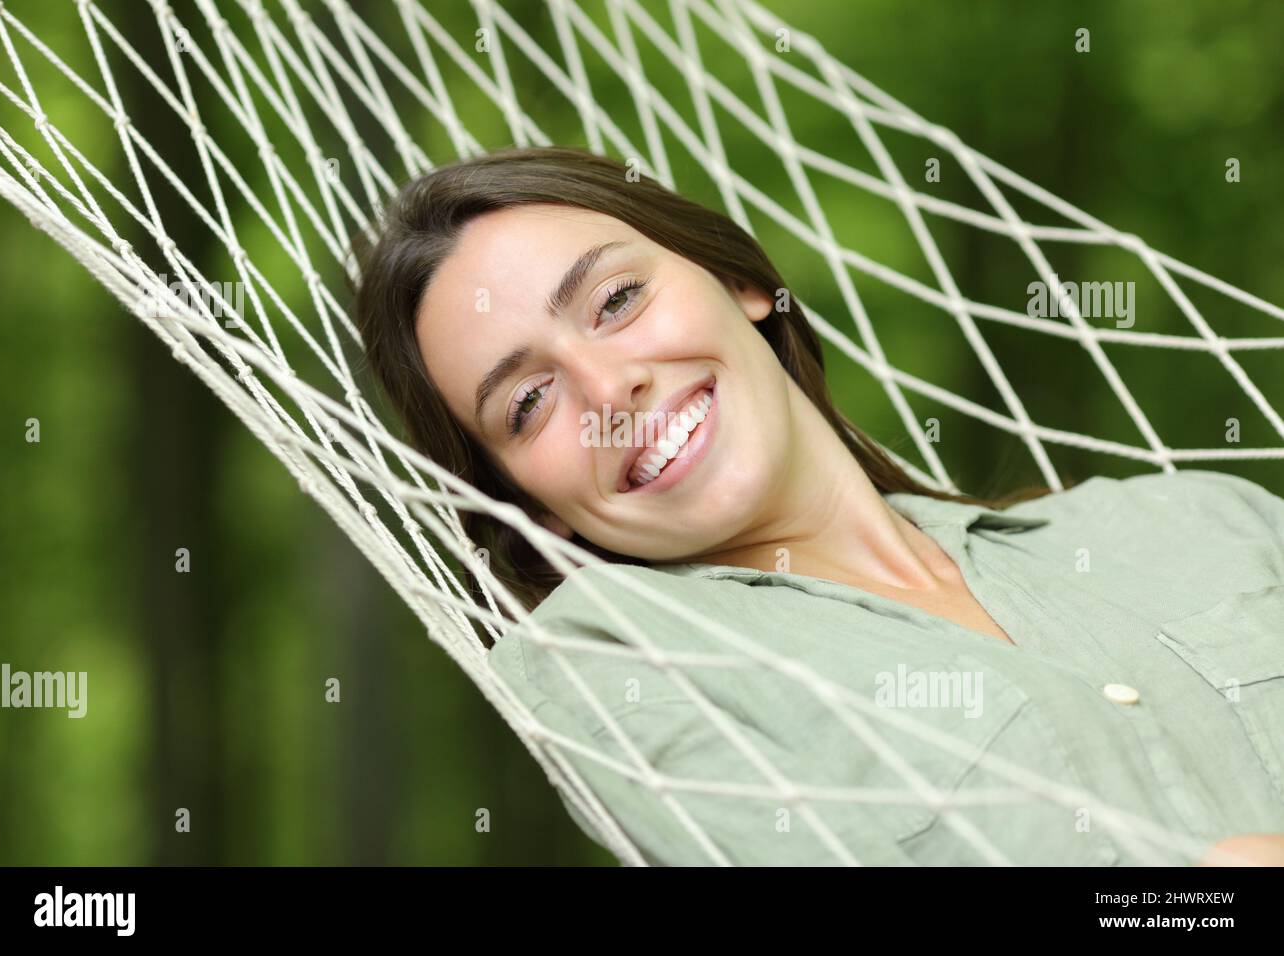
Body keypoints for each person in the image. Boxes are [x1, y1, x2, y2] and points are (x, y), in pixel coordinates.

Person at [352, 145, 1284, 866]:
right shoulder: (627, 672)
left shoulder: (1199, 519)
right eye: (528, 403)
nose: (609, 388)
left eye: (617, 299)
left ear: (743, 286)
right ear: (530, 506)